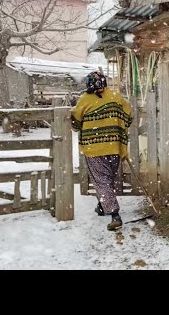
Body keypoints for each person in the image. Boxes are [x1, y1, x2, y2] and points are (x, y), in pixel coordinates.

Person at [71, 71, 132, 231]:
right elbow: (128, 116)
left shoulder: (85, 99)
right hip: (114, 146)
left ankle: (114, 214)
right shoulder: (114, 96)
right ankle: (101, 206)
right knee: (107, 179)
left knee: (101, 181)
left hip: (94, 148)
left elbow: (75, 123)